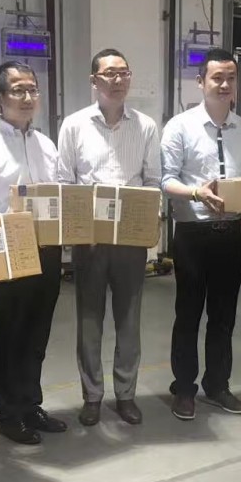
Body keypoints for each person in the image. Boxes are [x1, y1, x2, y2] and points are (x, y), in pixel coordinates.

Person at [57, 48, 162, 427]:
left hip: (130, 241)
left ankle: (126, 394)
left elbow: (153, 181)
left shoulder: (145, 126)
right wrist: (77, 231)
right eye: (109, 74)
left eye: (124, 73)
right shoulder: (74, 126)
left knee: (129, 321)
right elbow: (65, 182)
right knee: (89, 321)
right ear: (94, 81)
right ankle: (92, 396)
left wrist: (149, 221)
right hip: (90, 241)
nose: (118, 80)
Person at [160, 47, 241, 421]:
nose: (225, 84)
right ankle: (184, 389)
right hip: (192, 234)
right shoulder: (179, 126)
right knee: (188, 314)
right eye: (217, 77)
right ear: (201, 82)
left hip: (231, 234)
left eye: (231, 78)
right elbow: (166, 180)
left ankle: (217, 385)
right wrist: (197, 193)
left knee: (223, 316)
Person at [0, 62, 68, 445]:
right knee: (12, 332)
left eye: (32, 89)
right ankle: (9, 413)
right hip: (10, 251)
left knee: (37, 332)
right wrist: (8, 225)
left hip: (47, 250)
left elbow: (59, 192)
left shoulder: (45, 144)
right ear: (0, 98)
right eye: (18, 90)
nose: (28, 97)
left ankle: (31, 405)